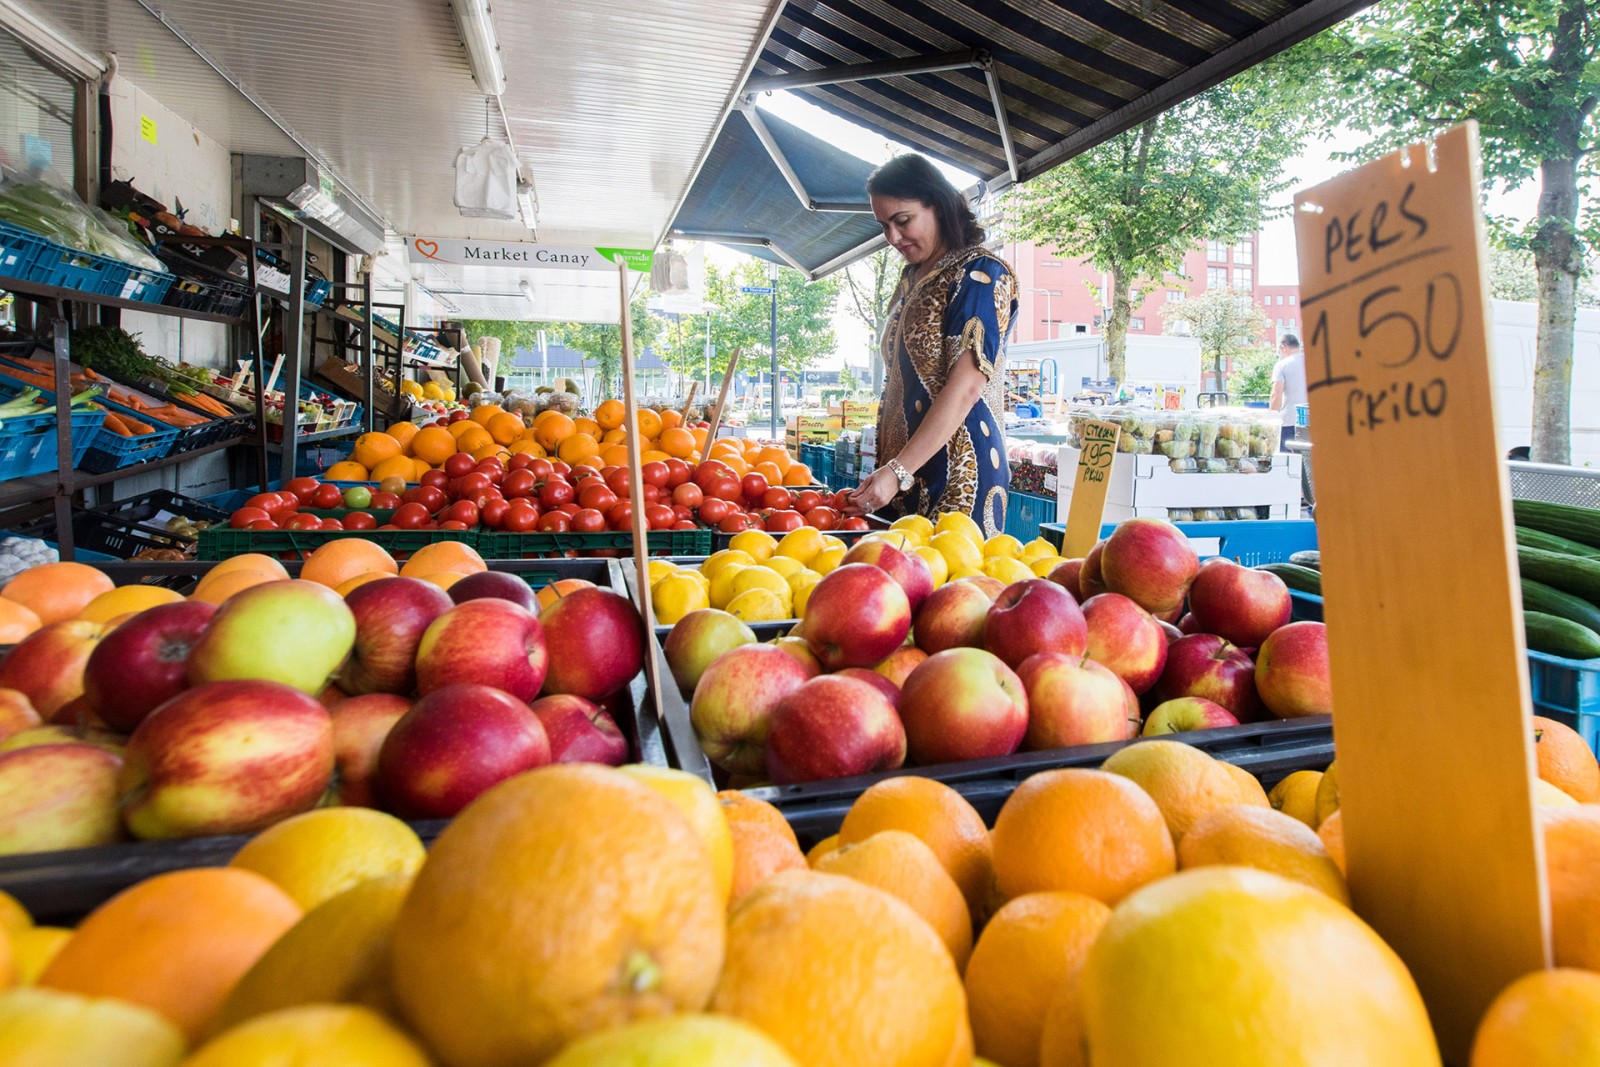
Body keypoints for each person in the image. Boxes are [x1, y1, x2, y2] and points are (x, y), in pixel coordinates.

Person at [844, 154, 1018, 535]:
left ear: (937, 205)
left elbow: (968, 384)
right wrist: (895, 470)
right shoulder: (910, 278)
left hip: (959, 475)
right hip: (902, 473)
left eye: (902, 221)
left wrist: (899, 469)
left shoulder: (980, 274)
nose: (892, 237)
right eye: (884, 225)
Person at [1269, 333, 1307, 419]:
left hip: (1290, 419)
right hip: (1310, 420)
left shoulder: (1282, 365)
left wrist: (1271, 420)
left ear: (1283, 347)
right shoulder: (1313, 363)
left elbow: (1276, 395)